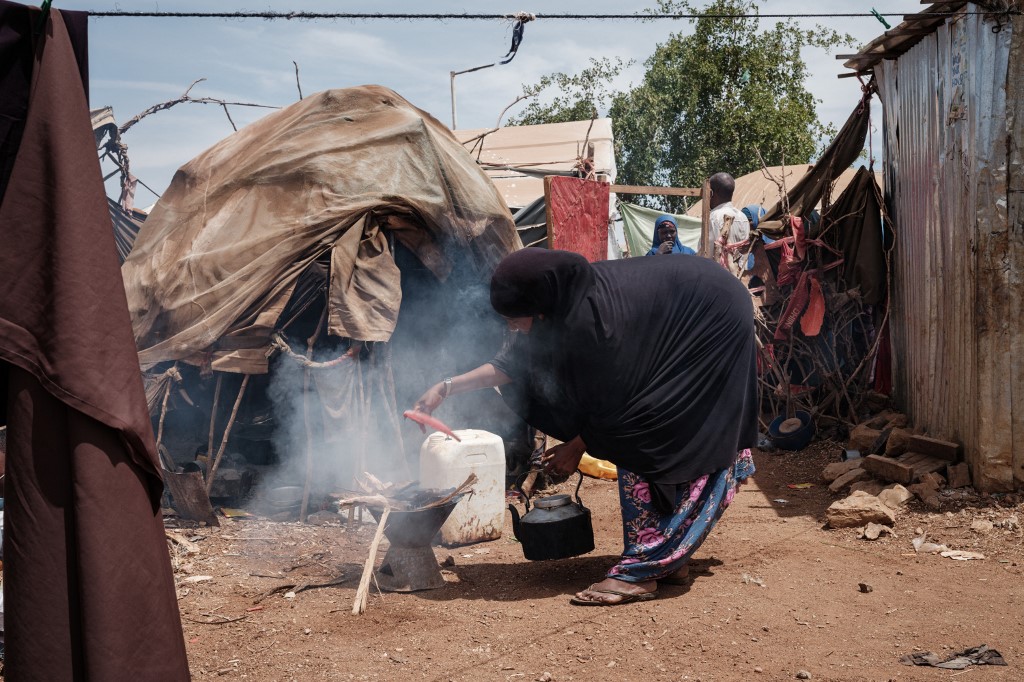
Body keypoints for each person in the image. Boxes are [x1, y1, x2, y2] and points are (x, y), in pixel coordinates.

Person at [413, 248, 758, 606]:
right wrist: (445, 387)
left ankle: (644, 569)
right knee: (640, 431)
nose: (512, 328)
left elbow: (619, 405)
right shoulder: (562, 304)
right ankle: (667, 559)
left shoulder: (593, 324)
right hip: (693, 305)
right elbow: (512, 364)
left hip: (713, 318)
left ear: (540, 307)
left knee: (644, 433)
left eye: (516, 320)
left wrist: (577, 446)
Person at [707, 172, 751, 275]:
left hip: (718, 277)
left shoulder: (713, 217)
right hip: (740, 277)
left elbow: (707, 253)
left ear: (712, 193)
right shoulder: (743, 217)